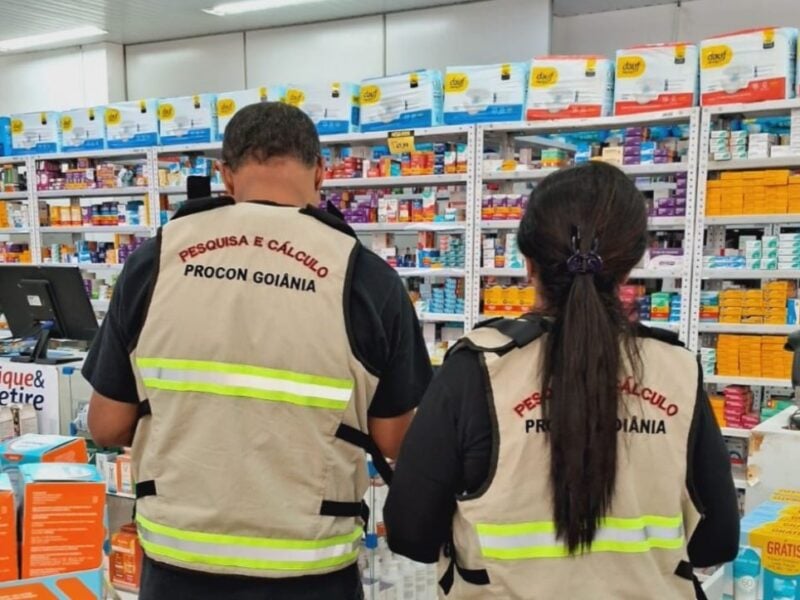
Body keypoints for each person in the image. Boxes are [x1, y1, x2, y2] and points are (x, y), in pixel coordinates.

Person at [84, 102, 433, 600]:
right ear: (321, 175)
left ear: (226, 176)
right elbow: (397, 440)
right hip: (311, 572)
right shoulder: (364, 276)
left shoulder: (156, 261)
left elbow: (106, 426)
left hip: (180, 565)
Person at [384, 162, 740, 599]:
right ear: (629, 267)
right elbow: (717, 541)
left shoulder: (479, 369)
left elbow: (409, 532)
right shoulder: (676, 370)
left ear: (528, 263)